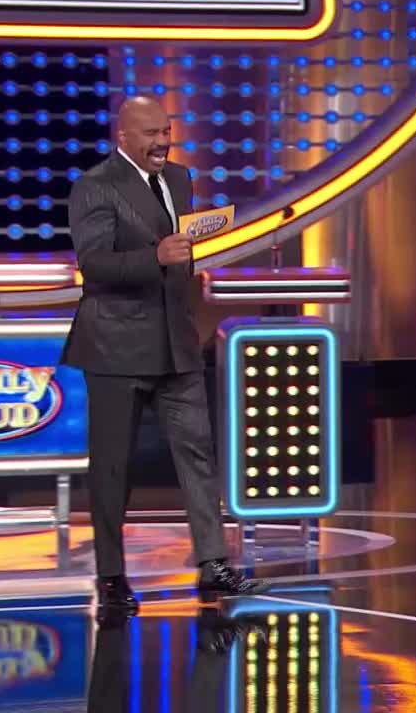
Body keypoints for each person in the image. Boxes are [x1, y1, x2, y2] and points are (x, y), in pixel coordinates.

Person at [61, 96, 268, 612]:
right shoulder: (94, 186)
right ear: (124, 137)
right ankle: (111, 575)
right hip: (115, 345)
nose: (162, 143)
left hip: (175, 343)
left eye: (167, 132)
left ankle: (212, 565)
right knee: (113, 465)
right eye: (151, 134)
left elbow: (181, 253)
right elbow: (95, 265)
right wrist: (155, 256)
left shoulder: (179, 179)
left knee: (198, 453)